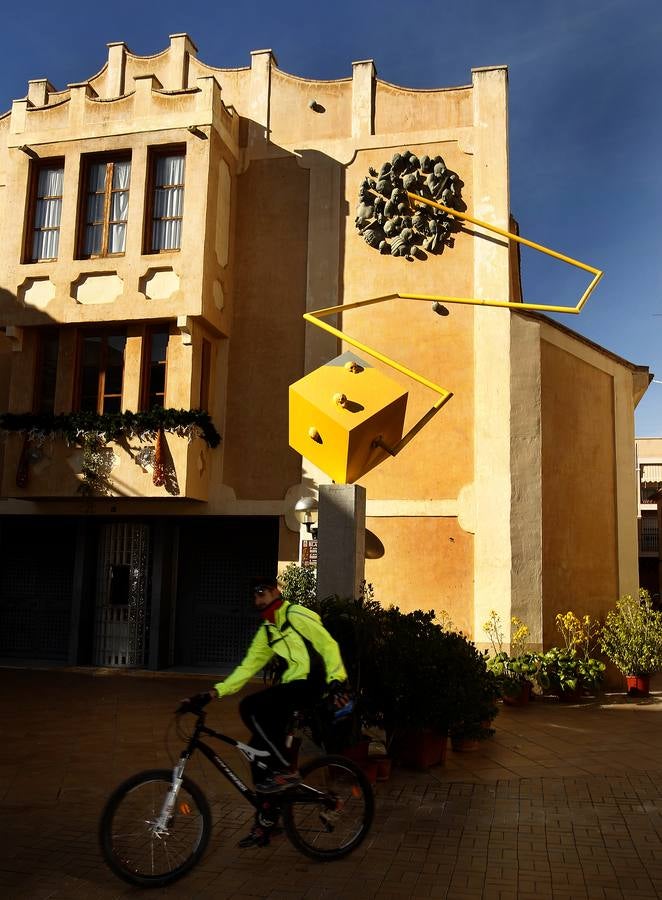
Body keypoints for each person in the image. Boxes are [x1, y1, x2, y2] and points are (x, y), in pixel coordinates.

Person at [180, 576, 350, 848]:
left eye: (262, 593)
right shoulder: (268, 631)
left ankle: (285, 769)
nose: (258, 599)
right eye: (255, 595)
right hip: (291, 688)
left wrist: (337, 679)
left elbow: (328, 645)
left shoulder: (295, 614)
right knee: (256, 755)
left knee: (251, 707)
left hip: (311, 684)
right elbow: (247, 668)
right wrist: (213, 693)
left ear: (275, 592)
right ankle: (267, 822)